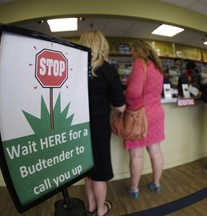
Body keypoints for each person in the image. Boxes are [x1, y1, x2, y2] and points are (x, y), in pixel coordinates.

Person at [79, 30, 126, 216]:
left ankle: (90, 205)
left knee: (87, 168)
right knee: (99, 170)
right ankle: (100, 209)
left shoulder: (75, 69)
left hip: (77, 128)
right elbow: (120, 106)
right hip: (98, 127)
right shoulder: (107, 70)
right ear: (102, 46)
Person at [124, 40, 165, 199]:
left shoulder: (141, 63)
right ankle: (156, 183)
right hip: (156, 113)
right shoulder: (157, 66)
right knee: (156, 151)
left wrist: (125, 95)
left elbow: (133, 92)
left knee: (136, 155)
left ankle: (134, 189)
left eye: (132, 51)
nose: (131, 55)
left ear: (139, 50)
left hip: (140, 116)